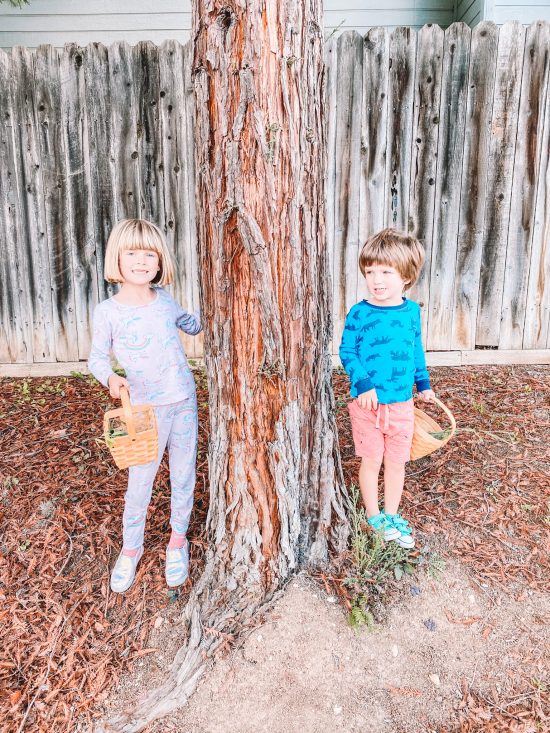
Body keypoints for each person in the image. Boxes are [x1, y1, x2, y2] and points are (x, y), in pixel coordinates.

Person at [88, 219, 202, 593]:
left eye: (149, 254)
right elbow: (96, 359)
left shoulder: (166, 302)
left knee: (183, 475)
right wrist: (111, 379)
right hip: (142, 413)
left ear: (159, 261)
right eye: (132, 253)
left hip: (183, 401)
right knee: (140, 483)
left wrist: (205, 315)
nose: (141, 261)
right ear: (117, 260)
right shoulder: (109, 312)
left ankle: (177, 542)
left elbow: (191, 324)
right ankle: (131, 547)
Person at [339, 228, 435, 549]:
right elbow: (347, 351)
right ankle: (373, 515)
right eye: (369, 271)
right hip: (367, 405)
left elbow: (415, 348)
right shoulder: (359, 313)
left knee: (396, 461)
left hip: (402, 403)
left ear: (406, 276)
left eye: (385, 271)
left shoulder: (411, 312)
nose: (375, 279)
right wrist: (363, 383)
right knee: (373, 459)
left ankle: (392, 515)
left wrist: (423, 383)